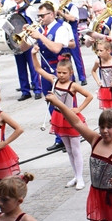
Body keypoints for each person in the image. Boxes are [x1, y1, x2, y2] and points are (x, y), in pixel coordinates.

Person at [33, 54, 93, 190]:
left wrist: (79, 109)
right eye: (59, 72)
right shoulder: (54, 81)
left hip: (70, 119)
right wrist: (33, 54)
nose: (61, 75)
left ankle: (80, 178)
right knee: (69, 150)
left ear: (71, 73)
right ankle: (76, 175)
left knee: (76, 149)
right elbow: (38, 68)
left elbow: (89, 96)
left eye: (64, 73)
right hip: (58, 117)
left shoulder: (73, 85)